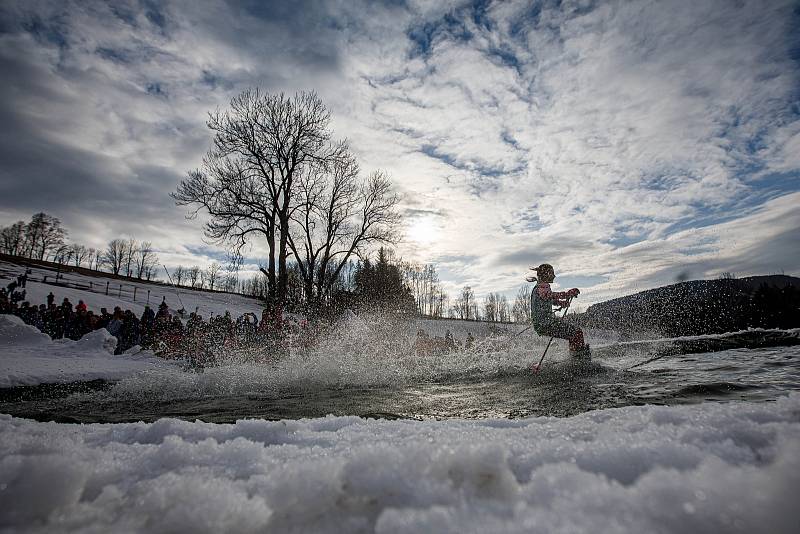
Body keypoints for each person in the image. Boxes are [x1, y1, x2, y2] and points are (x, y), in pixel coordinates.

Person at [527, 263, 590, 359]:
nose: (554, 276)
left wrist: (560, 303)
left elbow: (548, 298)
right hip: (546, 324)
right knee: (576, 332)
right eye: (552, 273)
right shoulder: (542, 287)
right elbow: (549, 295)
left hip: (542, 324)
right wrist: (567, 294)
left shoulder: (539, 287)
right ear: (546, 274)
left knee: (574, 333)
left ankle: (576, 356)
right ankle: (578, 358)